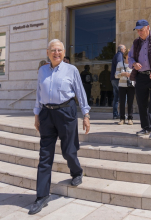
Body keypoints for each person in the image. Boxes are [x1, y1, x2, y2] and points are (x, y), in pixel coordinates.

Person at [30, 39, 91, 215]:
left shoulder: (71, 70)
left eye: (59, 50)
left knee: (68, 151)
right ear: (48, 53)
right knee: (45, 156)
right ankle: (41, 196)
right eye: (53, 50)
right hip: (46, 114)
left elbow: (80, 92)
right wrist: (36, 114)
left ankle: (77, 171)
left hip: (66, 112)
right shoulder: (42, 70)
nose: (56, 53)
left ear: (64, 53)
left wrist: (86, 115)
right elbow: (38, 93)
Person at [115, 49, 135, 125]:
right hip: (122, 85)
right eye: (129, 55)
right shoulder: (120, 64)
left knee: (130, 102)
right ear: (125, 55)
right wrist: (123, 74)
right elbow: (116, 75)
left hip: (131, 85)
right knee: (122, 102)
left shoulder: (133, 64)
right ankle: (122, 119)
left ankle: (130, 118)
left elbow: (137, 75)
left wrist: (131, 75)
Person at [111, 45, 126, 119]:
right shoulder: (120, 55)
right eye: (125, 49)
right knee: (122, 97)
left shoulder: (116, 55)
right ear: (122, 49)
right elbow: (120, 66)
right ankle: (121, 114)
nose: (125, 50)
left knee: (116, 97)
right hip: (118, 79)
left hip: (113, 79)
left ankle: (115, 114)